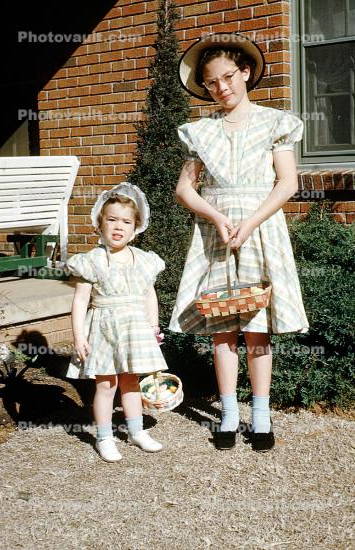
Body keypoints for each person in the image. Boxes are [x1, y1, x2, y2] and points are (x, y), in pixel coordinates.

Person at [169, 33, 309, 452]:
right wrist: (216, 216)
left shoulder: (274, 123)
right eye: (212, 82)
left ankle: (261, 415)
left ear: (245, 72)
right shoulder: (202, 131)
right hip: (217, 237)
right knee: (222, 328)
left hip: (260, 231)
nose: (222, 87)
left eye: (228, 77)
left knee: (257, 328)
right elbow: (184, 190)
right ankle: (229, 413)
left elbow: (287, 183)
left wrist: (249, 222)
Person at [66, 182, 168, 462]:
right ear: (100, 224)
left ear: (136, 228)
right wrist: (78, 336)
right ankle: (104, 437)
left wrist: (153, 324)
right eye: (111, 220)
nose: (118, 226)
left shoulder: (144, 261)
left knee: (131, 381)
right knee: (105, 384)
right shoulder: (92, 261)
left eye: (126, 221)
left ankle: (136, 431)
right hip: (104, 327)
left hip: (134, 327)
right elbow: (79, 301)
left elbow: (149, 294)